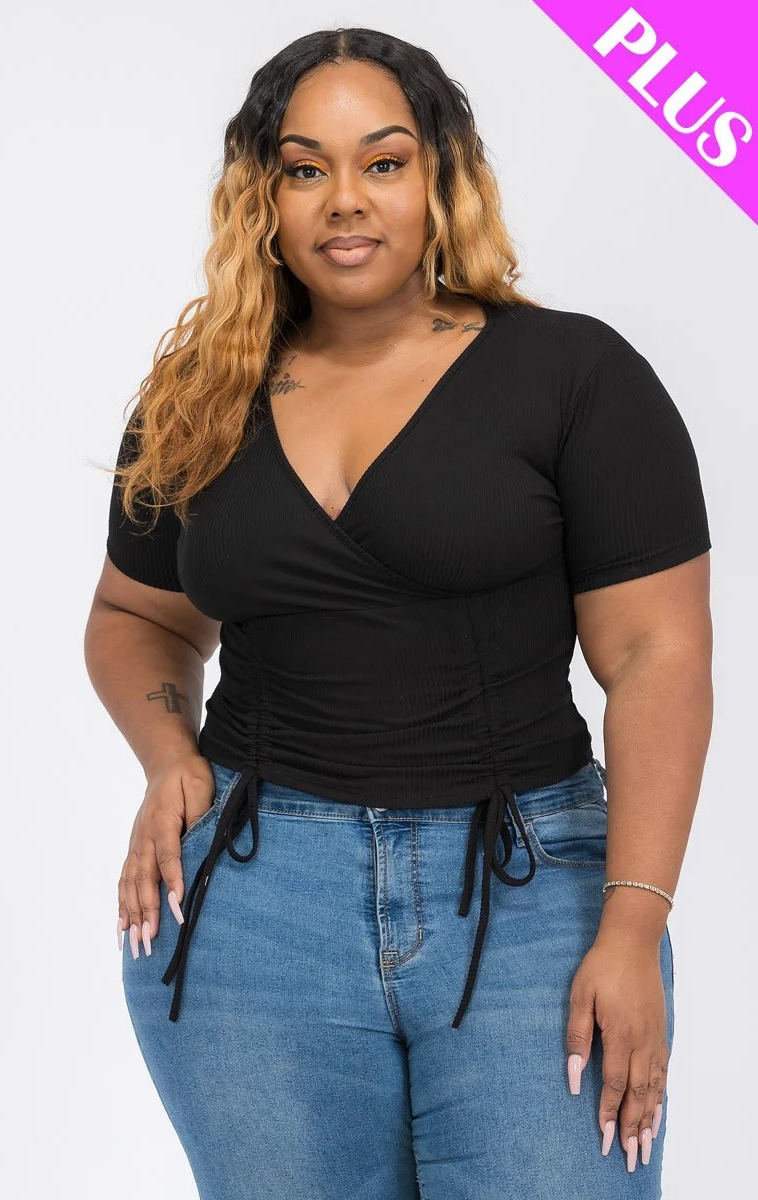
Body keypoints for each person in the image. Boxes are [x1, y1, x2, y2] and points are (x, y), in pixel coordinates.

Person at [85, 26, 713, 1200]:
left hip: (529, 893)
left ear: (441, 178)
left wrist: (632, 926)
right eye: (303, 167)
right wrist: (168, 754)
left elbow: (654, 654)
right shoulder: (199, 394)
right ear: (261, 196)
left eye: (382, 162)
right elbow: (136, 613)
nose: (344, 200)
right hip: (250, 907)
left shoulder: (571, 374)